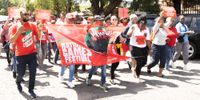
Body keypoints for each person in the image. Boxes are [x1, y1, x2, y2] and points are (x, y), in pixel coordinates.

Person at [9, 11, 41, 98]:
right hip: (20, 55)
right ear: (20, 16)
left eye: (28, 15)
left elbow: (39, 38)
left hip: (32, 54)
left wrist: (40, 30)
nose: (27, 17)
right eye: (25, 15)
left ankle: (31, 90)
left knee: (33, 72)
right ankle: (18, 81)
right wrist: (18, 32)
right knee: (21, 73)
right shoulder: (14, 27)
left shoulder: (32, 25)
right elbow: (11, 40)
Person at [85, 15, 110, 92]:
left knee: (104, 69)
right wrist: (92, 49)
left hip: (104, 52)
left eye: (102, 20)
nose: (101, 22)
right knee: (94, 68)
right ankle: (88, 78)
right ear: (96, 22)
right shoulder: (91, 30)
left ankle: (103, 83)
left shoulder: (105, 29)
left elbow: (108, 39)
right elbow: (87, 40)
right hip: (95, 53)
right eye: (100, 21)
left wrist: (107, 48)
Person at [127, 15, 151, 82]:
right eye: (141, 24)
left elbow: (148, 40)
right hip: (134, 47)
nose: (142, 26)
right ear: (138, 23)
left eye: (144, 24)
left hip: (143, 47)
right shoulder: (133, 27)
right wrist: (132, 31)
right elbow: (128, 36)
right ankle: (138, 76)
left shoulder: (146, 29)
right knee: (139, 62)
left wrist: (150, 48)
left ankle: (132, 66)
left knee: (144, 62)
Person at [146, 12, 170, 77]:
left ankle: (160, 73)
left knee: (163, 60)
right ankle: (148, 67)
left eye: (162, 21)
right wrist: (161, 16)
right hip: (156, 46)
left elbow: (170, 21)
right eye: (160, 21)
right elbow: (158, 22)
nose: (161, 22)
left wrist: (171, 14)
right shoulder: (155, 28)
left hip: (164, 46)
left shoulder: (164, 28)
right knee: (155, 61)